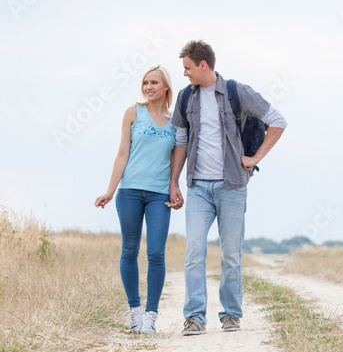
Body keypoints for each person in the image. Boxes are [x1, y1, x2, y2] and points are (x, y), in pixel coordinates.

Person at [167, 40, 286, 336]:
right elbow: (181, 142)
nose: (184, 74)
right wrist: (174, 182)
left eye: (187, 68)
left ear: (203, 65)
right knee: (194, 251)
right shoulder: (185, 98)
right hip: (197, 188)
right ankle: (194, 317)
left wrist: (256, 157)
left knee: (231, 254)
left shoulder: (237, 92)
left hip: (232, 185)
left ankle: (231, 314)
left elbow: (278, 120)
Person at [95, 65, 180, 335]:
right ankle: (134, 312)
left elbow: (176, 160)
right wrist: (110, 190)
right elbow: (122, 154)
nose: (148, 87)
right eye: (145, 83)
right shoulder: (133, 113)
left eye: (154, 82)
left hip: (159, 195)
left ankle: (151, 316)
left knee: (156, 253)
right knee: (129, 251)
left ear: (166, 86)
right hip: (130, 191)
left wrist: (175, 188)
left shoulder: (177, 121)